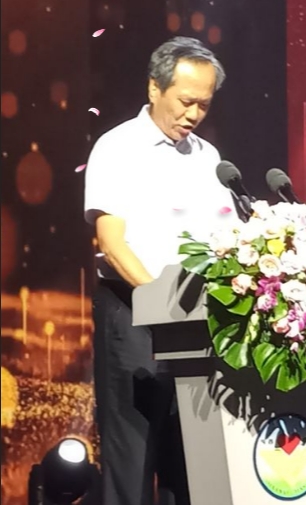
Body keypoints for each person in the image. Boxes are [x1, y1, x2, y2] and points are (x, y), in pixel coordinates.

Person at [84, 37, 236, 505]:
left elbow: (226, 240)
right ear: (155, 88)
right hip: (134, 314)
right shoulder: (117, 147)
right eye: (186, 101)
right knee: (131, 458)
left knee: (188, 464)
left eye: (204, 105)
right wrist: (161, 304)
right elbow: (112, 243)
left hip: (197, 323)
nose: (193, 114)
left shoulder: (208, 158)